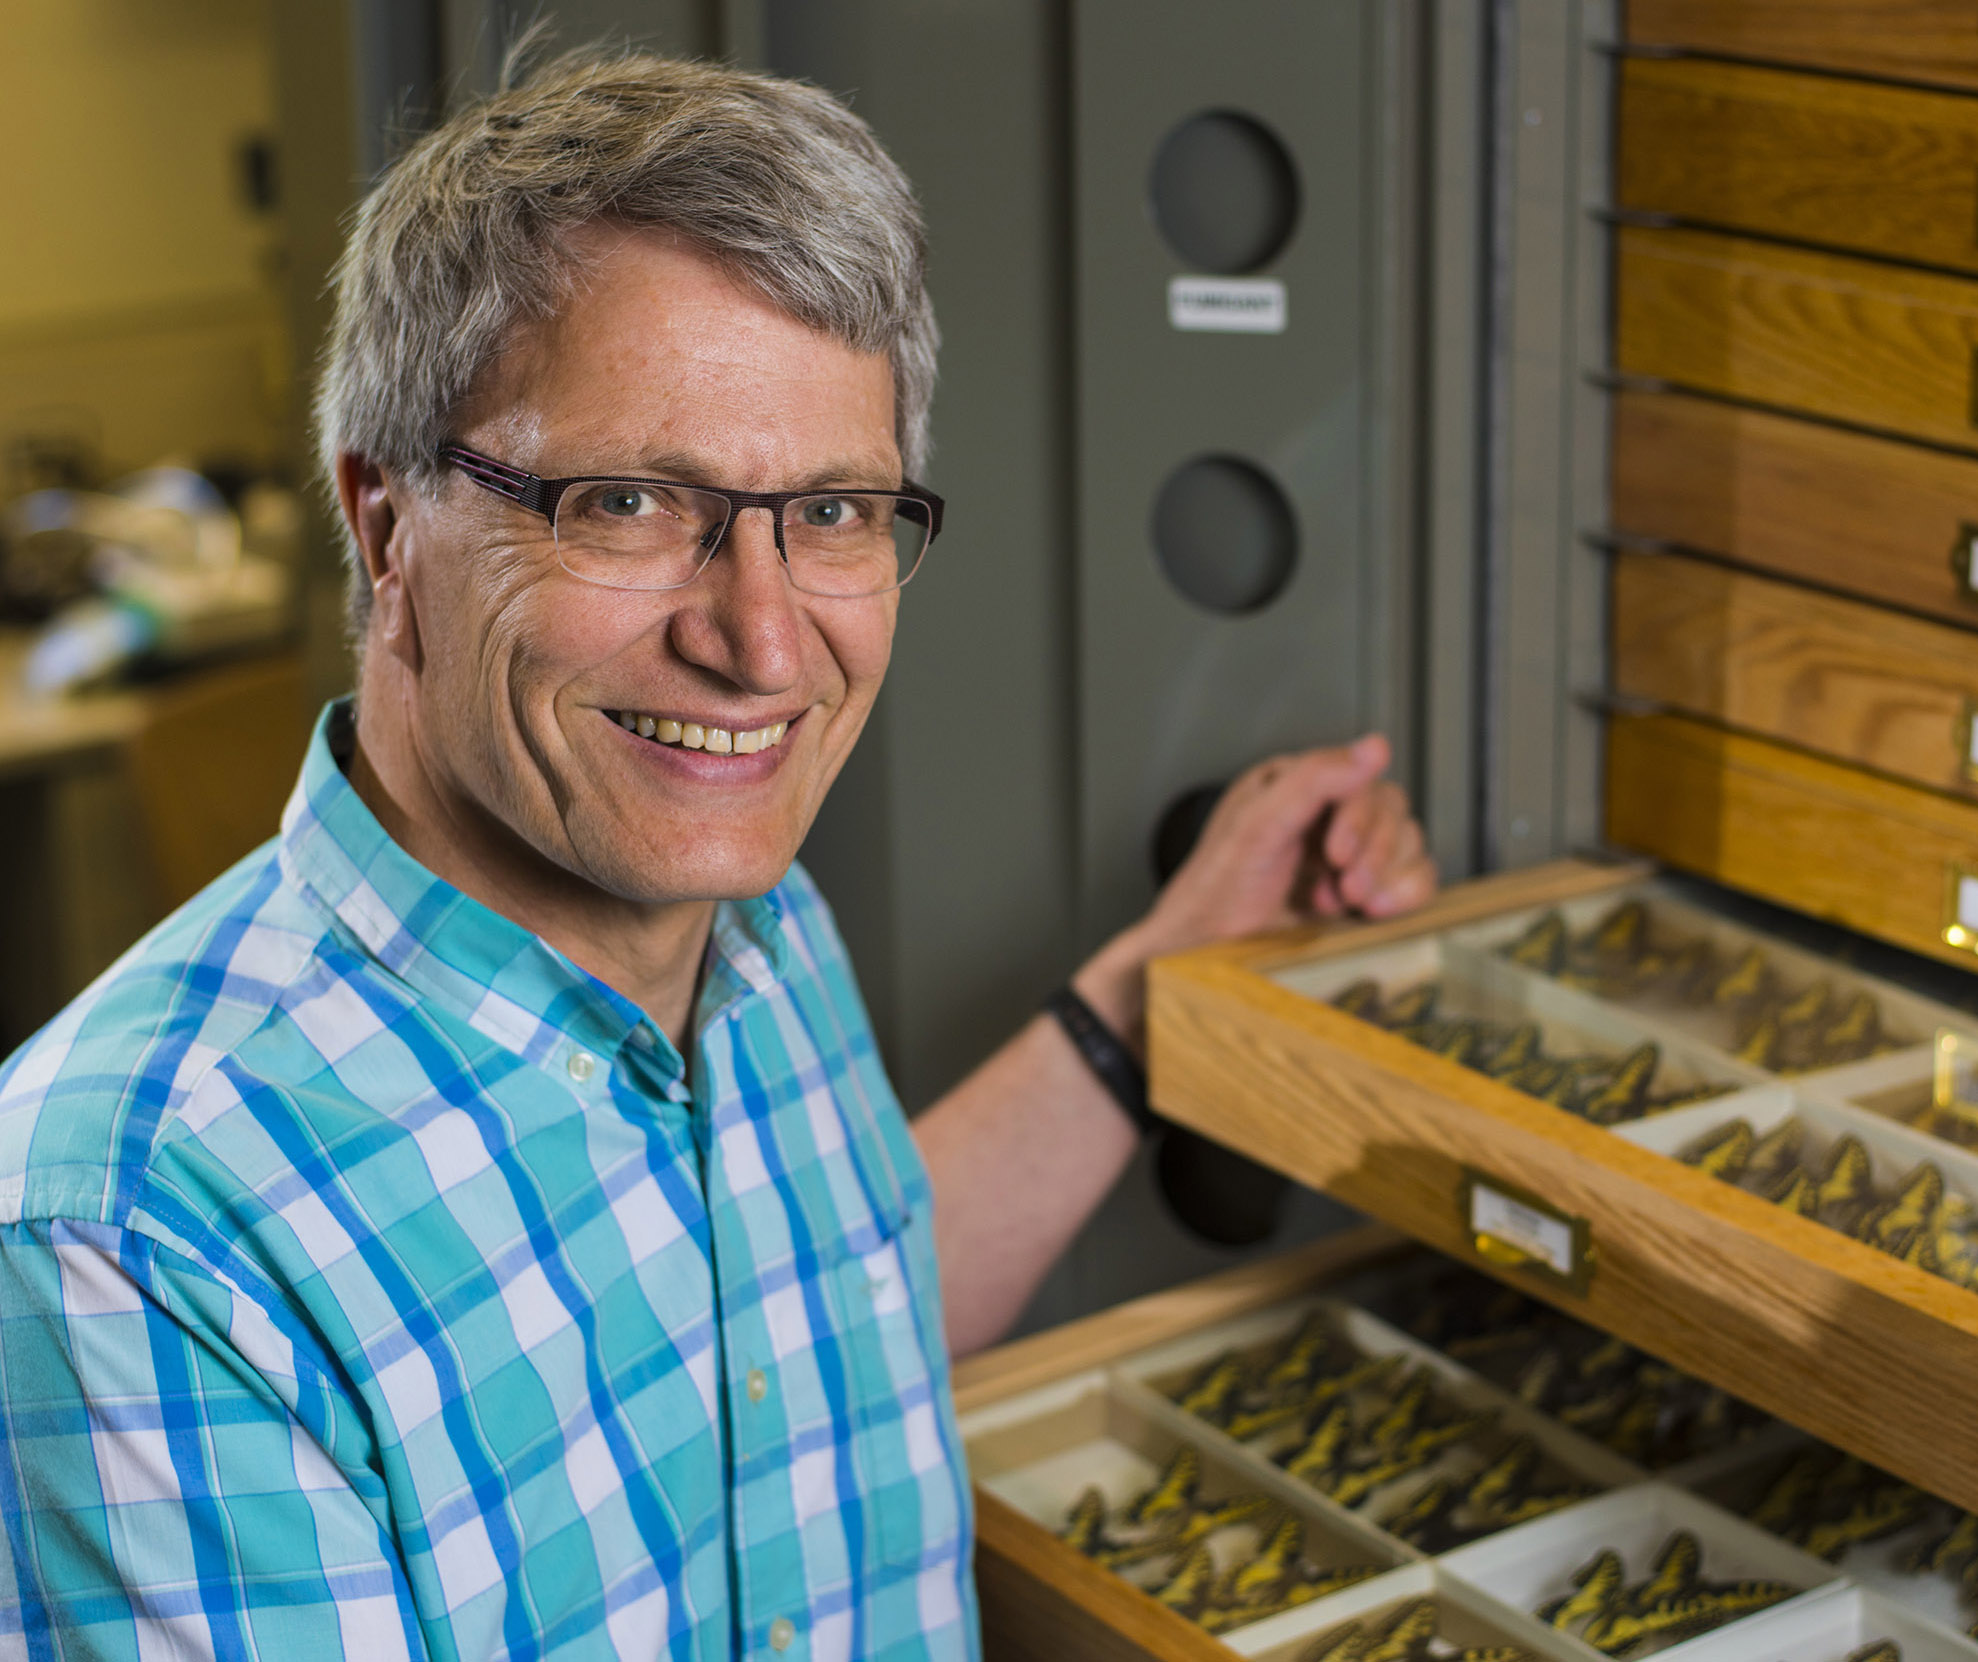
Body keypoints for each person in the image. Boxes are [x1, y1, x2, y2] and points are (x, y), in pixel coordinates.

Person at [0, 48, 1436, 1662]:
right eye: (625, 501)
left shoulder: (743, 924)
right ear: (389, 529)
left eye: (830, 514)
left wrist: (1156, 981)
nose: (761, 644)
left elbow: (823, 1344)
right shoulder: (138, 1228)